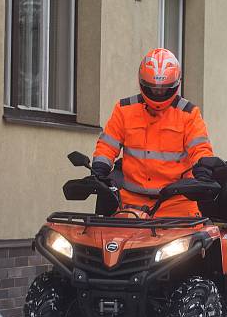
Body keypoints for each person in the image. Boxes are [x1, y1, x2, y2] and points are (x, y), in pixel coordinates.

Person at [91, 48, 219, 217]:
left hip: (177, 202)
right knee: (111, 240)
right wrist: (100, 169)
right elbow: (107, 145)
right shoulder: (124, 110)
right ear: (142, 82)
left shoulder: (189, 114)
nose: (158, 92)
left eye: (164, 89)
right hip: (130, 202)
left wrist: (203, 170)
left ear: (176, 84)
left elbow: (200, 148)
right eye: (153, 88)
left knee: (197, 240)